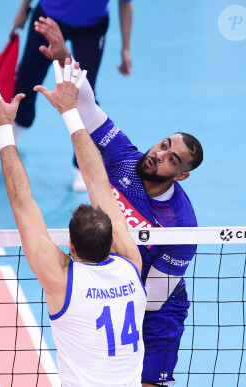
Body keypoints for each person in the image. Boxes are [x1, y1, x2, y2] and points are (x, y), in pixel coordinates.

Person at [37, 20, 204, 384]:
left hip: (153, 312)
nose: (160, 155)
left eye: (172, 159)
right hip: (110, 288)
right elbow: (88, 107)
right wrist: (64, 57)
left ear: (181, 175)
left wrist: (101, 290)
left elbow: (156, 296)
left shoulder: (181, 224)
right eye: (163, 145)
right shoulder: (123, 156)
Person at [0, 58, 146, 385]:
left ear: (70, 245)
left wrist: (4, 127)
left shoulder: (63, 279)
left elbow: (22, 202)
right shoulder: (131, 261)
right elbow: (99, 183)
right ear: (112, 239)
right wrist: (70, 112)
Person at [2, 0, 133, 192]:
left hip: (92, 26)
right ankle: (20, 124)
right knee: (27, 80)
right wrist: (22, 10)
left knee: (83, 93)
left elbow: (125, 4)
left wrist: (126, 48)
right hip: (48, 18)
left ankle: (83, 165)